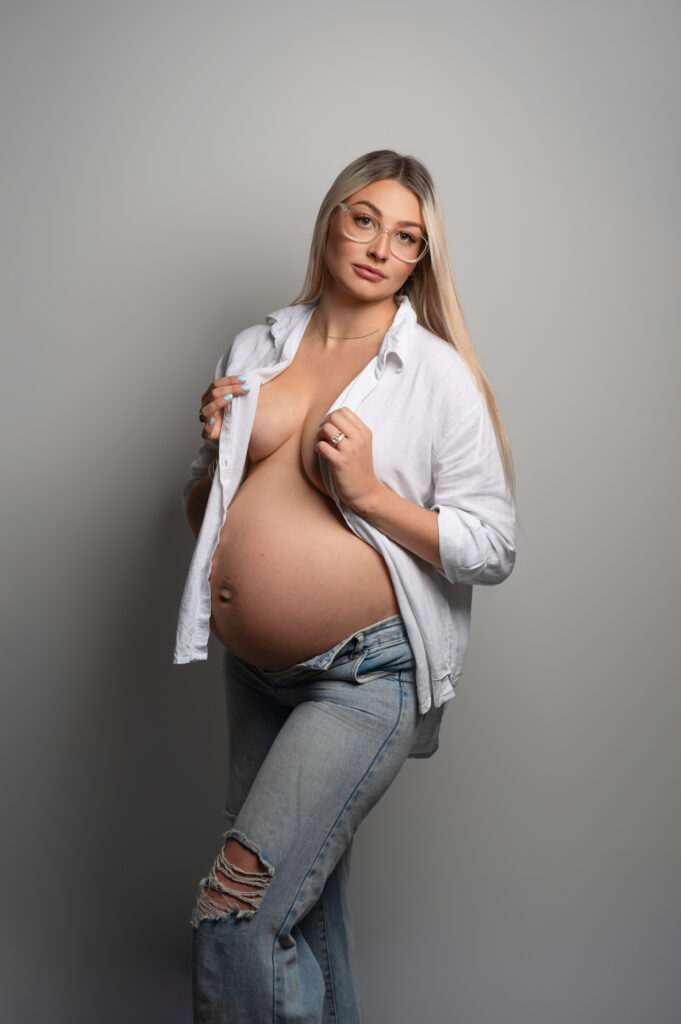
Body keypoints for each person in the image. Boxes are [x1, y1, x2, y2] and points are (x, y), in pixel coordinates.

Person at [174, 149, 517, 1023]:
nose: (377, 246)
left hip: (366, 677)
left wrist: (367, 495)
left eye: (404, 237)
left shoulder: (435, 372)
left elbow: (491, 544)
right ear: (332, 220)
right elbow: (206, 519)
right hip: (254, 675)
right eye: (364, 219)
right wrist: (212, 453)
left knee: (237, 908)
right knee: (305, 910)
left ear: (417, 262)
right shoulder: (259, 345)